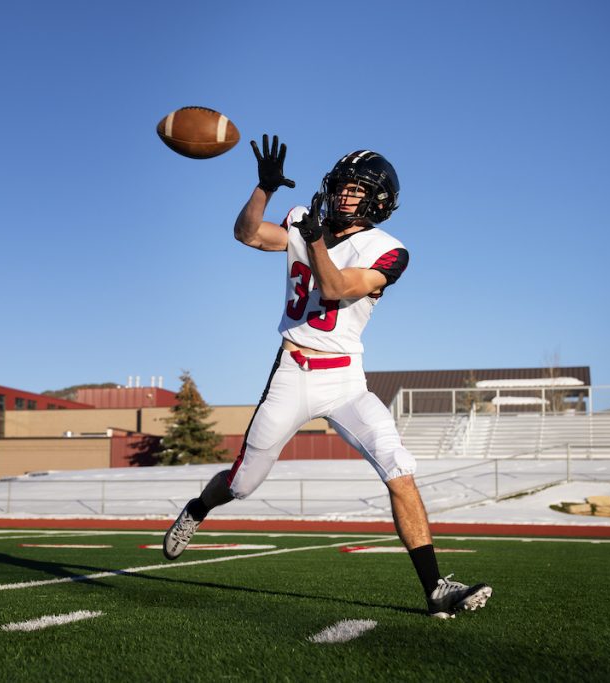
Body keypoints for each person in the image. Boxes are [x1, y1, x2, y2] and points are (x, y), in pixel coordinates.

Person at [162, 135, 491, 619]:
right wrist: (263, 190)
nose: (342, 195)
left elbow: (336, 287)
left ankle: (436, 589)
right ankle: (198, 508)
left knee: (399, 468)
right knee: (241, 484)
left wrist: (312, 236)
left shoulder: (388, 250)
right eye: (340, 185)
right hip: (292, 371)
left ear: (379, 202)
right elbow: (248, 234)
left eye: (355, 190)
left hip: (345, 381)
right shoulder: (303, 221)